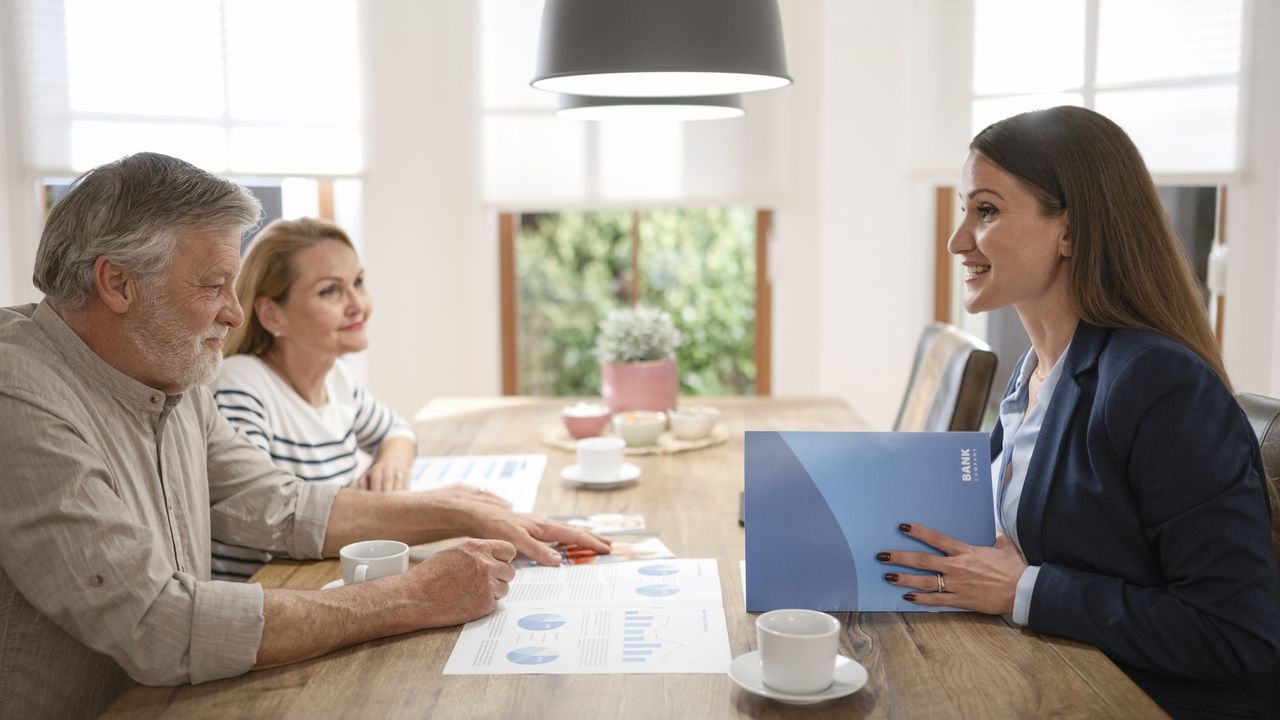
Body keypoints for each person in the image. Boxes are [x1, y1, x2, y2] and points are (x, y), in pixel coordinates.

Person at [0, 152, 610, 718]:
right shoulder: (18, 393)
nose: (234, 315)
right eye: (212, 287)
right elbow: (159, 624)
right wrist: (413, 596)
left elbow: (279, 505)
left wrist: (460, 512)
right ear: (117, 284)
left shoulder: (168, 375)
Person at [877, 106, 1280, 718]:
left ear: (1070, 230)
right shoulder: (1034, 374)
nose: (958, 240)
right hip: (1034, 678)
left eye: (985, 210)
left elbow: (1237, 633)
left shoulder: (1161, 385)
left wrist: (1025, 589)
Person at [208, 218, 415, 580]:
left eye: (358, 283)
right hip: (276, 593)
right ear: (272, 314)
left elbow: (397, 431)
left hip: (323, 573)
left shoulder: (338, 380)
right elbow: (261, 509)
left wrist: (390, 464)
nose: (358, 305)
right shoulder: (241, 383)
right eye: (330, 291)